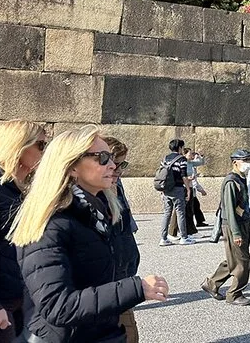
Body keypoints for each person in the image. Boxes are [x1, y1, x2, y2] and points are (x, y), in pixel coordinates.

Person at [8, 125, 168, 343]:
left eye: (111, 158)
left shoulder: (96, 213)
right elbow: (57, 306)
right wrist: (136, 288)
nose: (112, 165)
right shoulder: (52, 224)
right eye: (102, 158)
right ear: (72, 166)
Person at [0, 120, 46, 342]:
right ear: (19, 146)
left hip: (17, 298)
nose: (45, 152)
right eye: (40, 145)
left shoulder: (16, 188)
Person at [201, 149, 250, 306]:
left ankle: (211, 283)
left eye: (249, 160)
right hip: (234, 225)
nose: (248, 163)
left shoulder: (240, 178)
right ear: (235, 162)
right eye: (245, 160)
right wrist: (236, 233)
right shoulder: (231, 182)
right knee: (243, 262)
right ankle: (234, 294)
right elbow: (230, 210)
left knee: (234, 258)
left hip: (242, 223)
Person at [102, 136, 141, 343]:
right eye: (113, 164)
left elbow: (125, 229)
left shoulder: (116, 185)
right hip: (108, 283)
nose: (117, 170)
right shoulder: (92, 196)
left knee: (130, 332)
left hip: (123, 274)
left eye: (122, 165)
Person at [159, 139, 195, 246]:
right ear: (180, 147)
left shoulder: (165, 158)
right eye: (182, 147)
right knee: (180, 213)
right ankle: (184, 237)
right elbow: (183, 175)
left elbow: (162, 174)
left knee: (167, 213)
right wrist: (188, 189)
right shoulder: (181, 159)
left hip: (167, 189)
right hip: (178, 188)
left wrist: (162, 190)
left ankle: (163, 238)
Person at [169, 148, 203, 237]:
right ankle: (186, 232)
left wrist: (200, 155)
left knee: (184, 210)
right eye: (190, 154)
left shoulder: (190, 163)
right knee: (184, 211)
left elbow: (200, 162)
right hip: (184, 188)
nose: (192, 155)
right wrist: (189, 179)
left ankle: (177, 232)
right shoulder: (182, 163)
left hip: (188, 187)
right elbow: (181, 176)